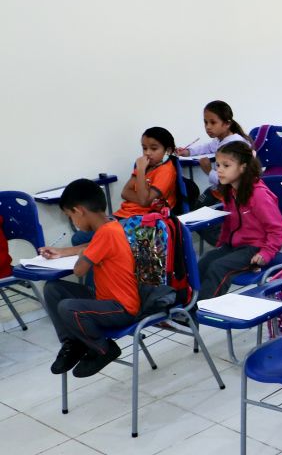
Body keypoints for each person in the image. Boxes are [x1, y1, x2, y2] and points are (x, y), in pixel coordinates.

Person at [41, 179, 140, 377]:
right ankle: (72, 343)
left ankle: (103, 349)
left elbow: (79, 270)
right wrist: (62, 252)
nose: (73, 223)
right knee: (52, 289)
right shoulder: (110, 226)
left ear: (79, 211)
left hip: (122, 308)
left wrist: (83, 254)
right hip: (105, 300)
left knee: (68, 307)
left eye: (70, 217)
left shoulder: (105, 234)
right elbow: (90, 247)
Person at [196, 141, 282, 299]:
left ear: (243, 167)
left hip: (255, 248)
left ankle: (200, 309)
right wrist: (222, 244)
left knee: (218, 267)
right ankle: (185, 304)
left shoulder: (258, 195)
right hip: (235, 245)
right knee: (204, 262)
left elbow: (279, 229)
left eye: (226, 166)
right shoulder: (230, 191)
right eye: (218, 165)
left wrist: (266, 253)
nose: (219, 170)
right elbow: (229, 222)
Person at [176, 100, 249, 195]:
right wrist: (188, 152)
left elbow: (229, 180)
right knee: (201, 199)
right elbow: (208, 147)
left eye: (213, 122)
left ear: (227, 124)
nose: (208, 127)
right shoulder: (220, 139)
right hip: (223, 189)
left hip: (236, 193)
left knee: (199, 199)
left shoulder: (234, 145)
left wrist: (209, 170)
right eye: (206, 122)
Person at [116, 126, 180, 219]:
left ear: (168, 151)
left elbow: (144, 201)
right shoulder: (145, 166)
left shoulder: (165, 171)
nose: (147, 153)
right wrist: (144, 200)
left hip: (145, 218)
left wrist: (140, 170)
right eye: (144, 148)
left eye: (153, 149)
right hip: (124, 213)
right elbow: (125, 192)